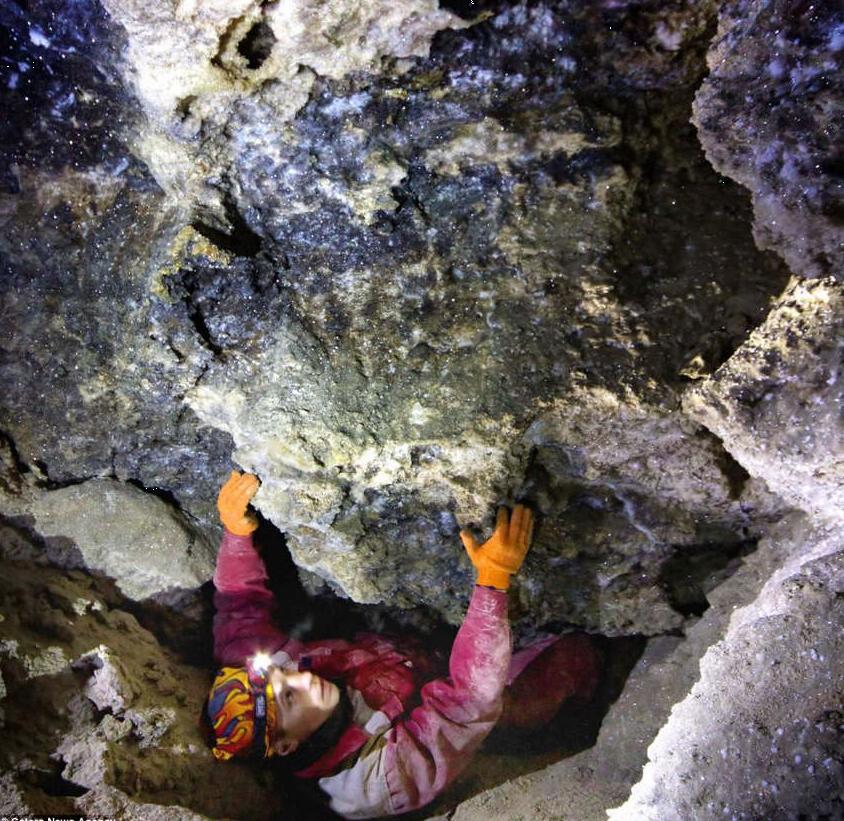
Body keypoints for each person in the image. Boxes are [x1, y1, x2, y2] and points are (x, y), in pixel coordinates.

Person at [206, 471, 598, 818]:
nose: (301, 678)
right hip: (475, 715)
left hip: (408, 657)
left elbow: (240, 608)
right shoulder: (378, 779)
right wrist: (492, 580)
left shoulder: (261, 674)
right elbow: (471, 701)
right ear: (288, 745)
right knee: (568, 656)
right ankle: (592, 697)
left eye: (281, 674)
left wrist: (235, 532)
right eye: (289, 698)